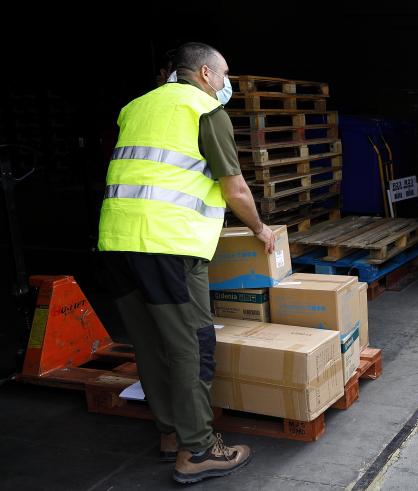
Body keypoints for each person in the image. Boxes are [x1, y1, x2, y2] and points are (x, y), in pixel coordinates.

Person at [98, 42, 275, 484]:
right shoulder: (203, 109)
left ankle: (171, 435)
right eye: (224, 74)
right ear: (203, 74)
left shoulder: (135, 106)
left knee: (150, 344)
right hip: (168, 244)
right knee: (191, 346)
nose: (226, 83)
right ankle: (198, 450)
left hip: (117, 242)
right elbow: (234, 189)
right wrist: (260, 229)